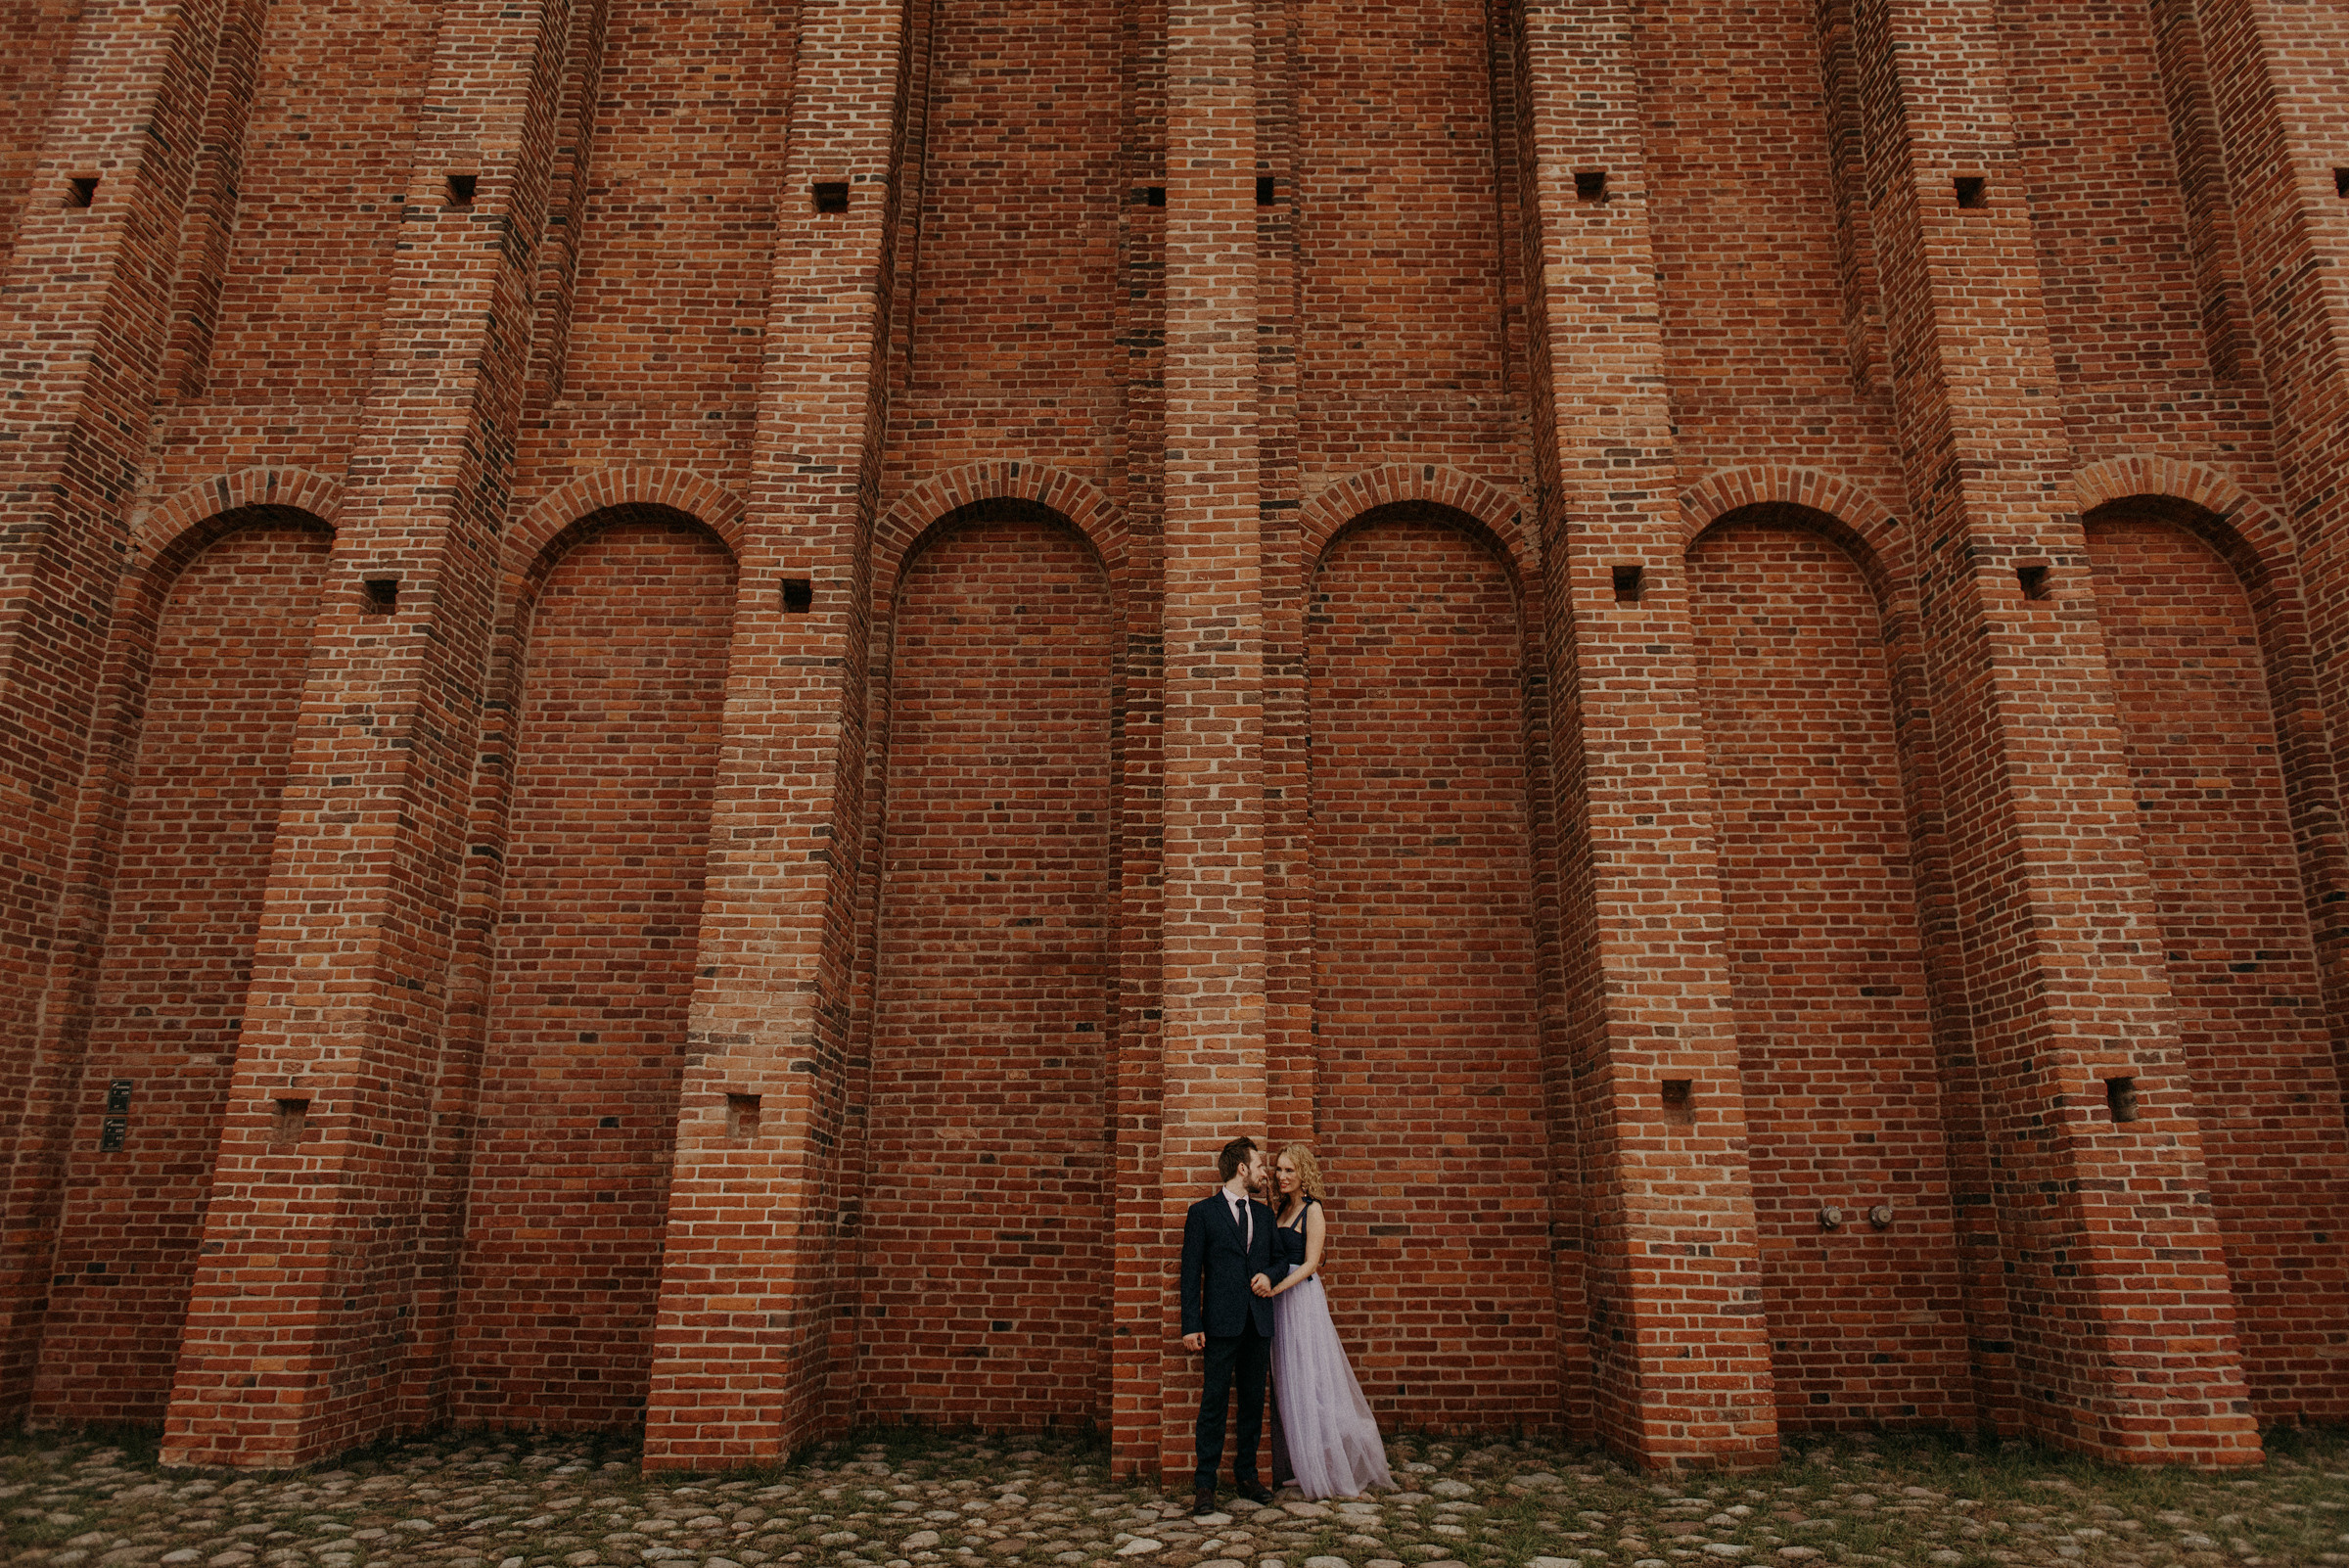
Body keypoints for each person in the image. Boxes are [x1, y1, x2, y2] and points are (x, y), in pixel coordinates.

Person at [1256, 1145, 1394, 1499]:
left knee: (1312, 1380)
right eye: (1279, 1171)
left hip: (1300, 1300)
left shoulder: (1312, 1211)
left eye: (1289, 1171)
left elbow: (1310, 1265)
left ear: (1304, 1174)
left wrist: (1277, 1288)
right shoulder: (1281, 1208)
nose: (1282, 1177)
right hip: (1279, 1301)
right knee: (1289, 1379)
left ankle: (1331, 1463)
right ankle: (1302, 1462)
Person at [1179, 1135, 1277, 1517]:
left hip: (1258, 1324)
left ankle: (1247, 1476)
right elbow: (1190, 1274)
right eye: (1259, 1166)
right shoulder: (1202, 1213)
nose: (1264, 1173)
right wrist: (1191, 1324)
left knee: (1253, 1403)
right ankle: (1205, 1485)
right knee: (1214, 1404)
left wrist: (1269, 1275)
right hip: (1219, 1325)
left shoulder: (1266, 1216)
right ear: (1242, 1169)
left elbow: (1280, 1258)